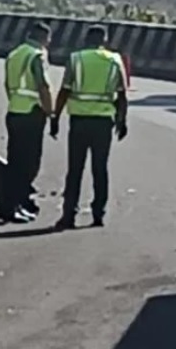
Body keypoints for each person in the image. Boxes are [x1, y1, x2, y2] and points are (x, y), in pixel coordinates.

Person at [49, 25, 128, 230]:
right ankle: (98, 214)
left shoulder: (76, 59)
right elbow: (122, 95)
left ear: (86, 39)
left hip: (79, 121)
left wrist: (55, 117)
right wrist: (122, 121)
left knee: (75, 169)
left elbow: (64, 91)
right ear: (104, 40)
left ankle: (69, 215)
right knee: (99, 169)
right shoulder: (114, 60)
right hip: (103, 122)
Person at [2, 22, 53, 223]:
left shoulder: (15, 54)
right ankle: (13, 207)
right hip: (31, 113)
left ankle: (14, 204)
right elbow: (43, 86)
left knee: (14, 162)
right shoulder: (36, 55)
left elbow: (7, 84)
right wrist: (51, 112)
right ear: (44, 38)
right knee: (28, 165)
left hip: (14, 111)